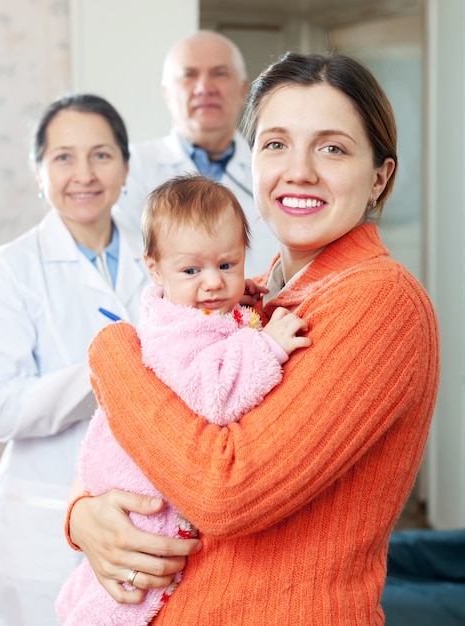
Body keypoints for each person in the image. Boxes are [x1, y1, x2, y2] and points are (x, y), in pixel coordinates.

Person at [68, 52, 441, 624]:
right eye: (275, 144)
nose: (299, 171)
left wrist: (112, 355)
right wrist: (81, 515)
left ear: (380, 176)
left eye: (333, 147)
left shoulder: (380, 301)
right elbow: (132, 447)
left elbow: (225, 491)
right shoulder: (249, 298)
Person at [56, 174, 311, 625]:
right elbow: (213, 395)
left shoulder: (201, 308)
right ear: (154, 269)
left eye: (227, 265)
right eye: (191, 271)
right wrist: (266, 344)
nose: (212, 283)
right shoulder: (175, 330)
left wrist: (244, 306)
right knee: (130, 593)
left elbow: (224, 325)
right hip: (141, 489)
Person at [0, 94, 149, 626]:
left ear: (126, 165)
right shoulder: (9, 270)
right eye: (63, 157)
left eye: (101, 154)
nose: (83, 174)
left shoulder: (163, 253)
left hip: (149, 500)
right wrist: (108, 373)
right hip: (48, 507)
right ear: (38, 171)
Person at [116, 29, 279, 276]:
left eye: (219, 74)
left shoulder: (275, 165)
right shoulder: (130, 167)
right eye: (188, 75)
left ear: (243, 89)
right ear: (167, 93)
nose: (204, 87)